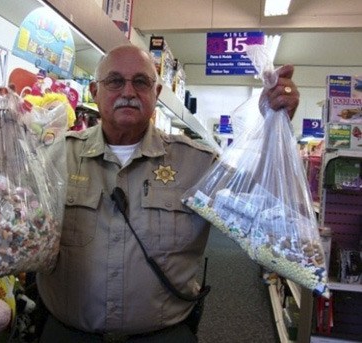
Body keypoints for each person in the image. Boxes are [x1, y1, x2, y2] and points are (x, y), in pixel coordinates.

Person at [37, 44, 300, 342]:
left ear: (157, 92)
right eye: (114, 81)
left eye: (140, 82)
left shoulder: (197, 163)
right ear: (95, 92)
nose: (128, 91)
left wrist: (273, 126)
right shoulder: (54, 157)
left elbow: (264, 205)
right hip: (67, 334)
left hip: (164, 336)